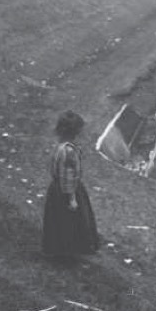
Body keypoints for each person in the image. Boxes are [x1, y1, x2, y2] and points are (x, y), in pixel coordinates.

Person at [42, 110, 100, 258]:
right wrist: (72, 198)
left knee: (58, 220)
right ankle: (68, 251)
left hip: (56, 189)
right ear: (76, 132)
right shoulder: (69, 151)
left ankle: (58, 248)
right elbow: (67, 177)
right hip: (67, 190)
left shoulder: (60, 147)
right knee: (70, 220)